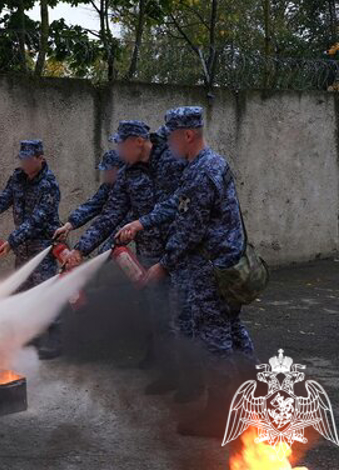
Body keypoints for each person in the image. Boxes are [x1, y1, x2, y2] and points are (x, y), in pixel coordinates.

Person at [117, 106, 255, 438]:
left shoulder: (201, 173)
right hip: (223, 267)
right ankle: (256, 392)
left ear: (188, 135)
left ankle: (221, 416)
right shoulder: (206, 165)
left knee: (215, 342)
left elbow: (189, 231)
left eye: (172, 137)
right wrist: (141, 222)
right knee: (233, 330)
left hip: (211, 271)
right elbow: (175, 203)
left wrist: (163, 265)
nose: (169, 144)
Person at [65, 121, 186, 391]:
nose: (118, 152)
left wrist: (141, 225)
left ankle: (189, 377)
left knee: (180, 315)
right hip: (148, 252)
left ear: (137, 142)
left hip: (179, 253)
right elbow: (110, 214)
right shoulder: (128, 174)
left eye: (121, 145)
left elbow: (182, 209)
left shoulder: (172, 162)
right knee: (157, 312)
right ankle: (168, 369)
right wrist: (80, 249)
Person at [0, 139, 63, 360]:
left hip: (42, 248)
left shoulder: (49, 185)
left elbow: (37, 221)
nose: (24, 163)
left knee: (46, 292)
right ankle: (28, 336)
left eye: (29, 158)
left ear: (41, 159)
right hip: (22, 248)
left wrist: (11, 241)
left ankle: (57, 341)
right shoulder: (18, 178)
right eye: (22, 158)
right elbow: (4, 199)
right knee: (22, 291)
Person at [53, 149, 124, 255]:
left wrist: (80, 250)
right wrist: (69, 225)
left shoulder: (127, 188)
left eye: (108, 171)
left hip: (136, 239)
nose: (105, 175)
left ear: (119, 170)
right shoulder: (109, 186)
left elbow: (107, 220)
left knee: (107, 256)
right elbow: (93, 205)